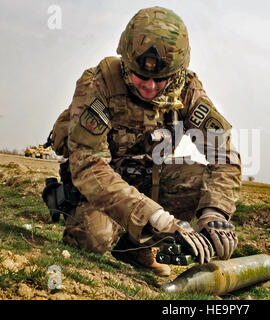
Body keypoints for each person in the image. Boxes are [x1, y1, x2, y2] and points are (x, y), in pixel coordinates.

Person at [50, 6, 242, 277]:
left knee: (200, 183)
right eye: (141, 76)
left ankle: (136, 248)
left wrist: (215, 213)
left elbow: (223, 154)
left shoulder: (186, 89)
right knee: (94, 238)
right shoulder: (98, 83)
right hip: (101, 186)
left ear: (176, 71)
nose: (149, 87)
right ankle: (87, 226)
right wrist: (159, 218)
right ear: (127, 61)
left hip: (146, 178)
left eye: (159, 79)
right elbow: (88, 165)